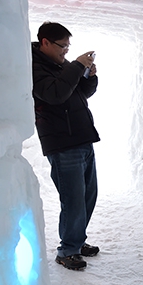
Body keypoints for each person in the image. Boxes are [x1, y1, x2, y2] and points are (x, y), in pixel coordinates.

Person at [32, 22, 100, 270]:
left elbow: (80, 94)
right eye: (63, 47)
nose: (66, 52)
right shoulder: (34, 67)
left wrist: (89, 77)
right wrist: (76, 66)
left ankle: (76, 240)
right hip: (62, 142)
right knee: (73, 199)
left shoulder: (59, 65)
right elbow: (55, 94)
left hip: (82, 137)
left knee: (87, 195)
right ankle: (67, 251)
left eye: (68, 48)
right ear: (45, 42)